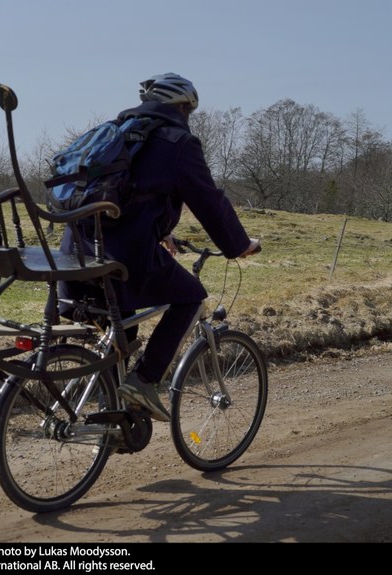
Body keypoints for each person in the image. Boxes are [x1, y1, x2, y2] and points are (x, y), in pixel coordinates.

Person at [60, 73, 260, 422]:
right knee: (190, 295)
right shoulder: (177, 142)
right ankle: (146, 380)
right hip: (123, 258)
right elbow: (209, 202)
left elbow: (124, 193)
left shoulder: (116, 133)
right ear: (182, 107)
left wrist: (160, 230)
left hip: (75, 252)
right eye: (188, 110)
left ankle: (115, 423)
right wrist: (239, 245)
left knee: (122, 334)